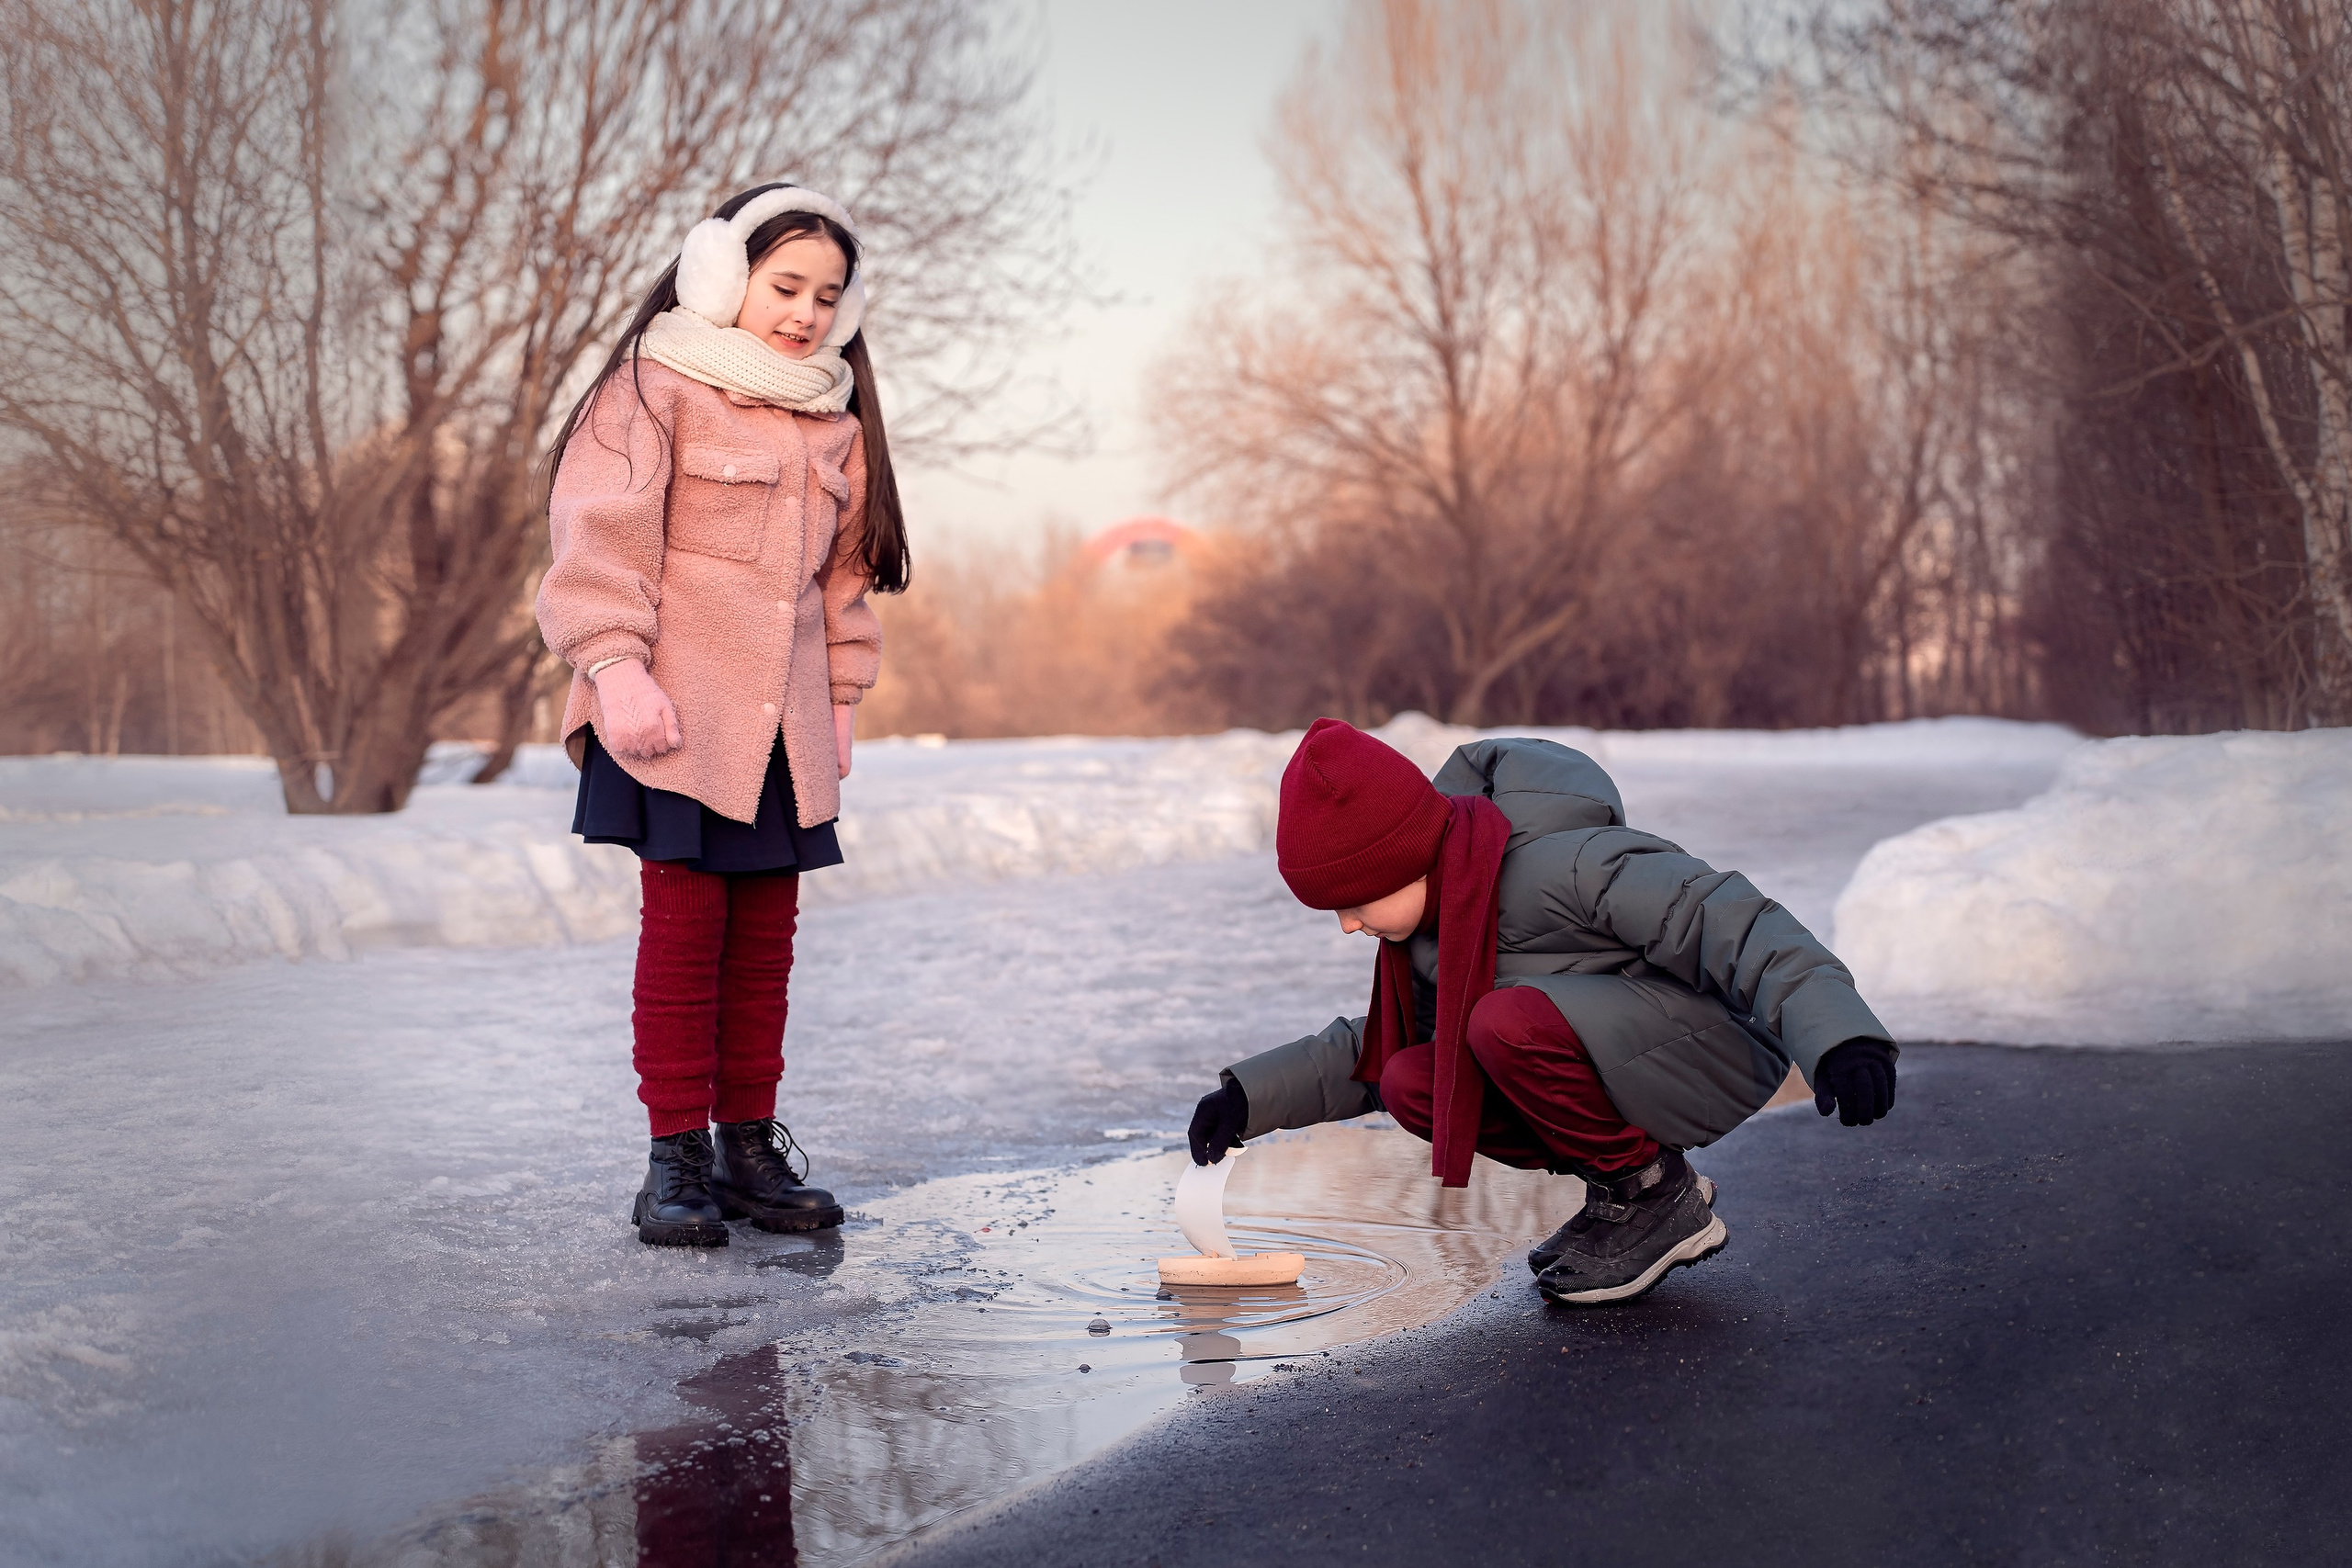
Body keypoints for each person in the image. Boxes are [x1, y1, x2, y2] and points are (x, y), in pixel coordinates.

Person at [1188, 719, 1899, 1305]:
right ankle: (1622, 1190)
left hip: (1716, 1045)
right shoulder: (1431, 929)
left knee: (1503, 1022)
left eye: (1356, 900)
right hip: (1622, 1051)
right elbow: (1371, 1055)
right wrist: (1248, 1098)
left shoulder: (1571, 863)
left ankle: (1654, 1194)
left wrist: (1840, 1036)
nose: (1348, 925)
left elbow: (1734, 924)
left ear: (1403, 859)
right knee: (1411, 1076)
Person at [535, 183, 907, 1247]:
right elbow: (596, 542)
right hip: (677, 716)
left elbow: (843, 583)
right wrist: (616, 669)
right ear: (721, 275)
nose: (805, 312)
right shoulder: (651, 391)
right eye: (785, 285)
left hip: (783, 729)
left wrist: (841, 698)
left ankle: (747, 1150)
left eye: (827, 296)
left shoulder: (833, 423)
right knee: (686, 938)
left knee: (762, 948)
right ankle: (674, 1162)